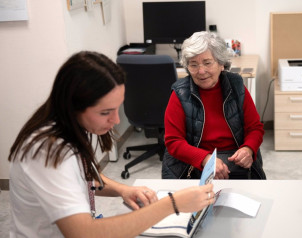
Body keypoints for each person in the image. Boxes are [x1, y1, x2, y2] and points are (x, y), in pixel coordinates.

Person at [8, 51, 214, 238]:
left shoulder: (69, 127)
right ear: (73, 105)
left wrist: (123, 190)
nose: (116, 120)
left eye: (117, 109)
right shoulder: (47, 151)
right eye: (105, 112)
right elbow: (84, 233)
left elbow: (82, 176)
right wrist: (172, 205)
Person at [162, 31, 266, 180]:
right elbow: (173, 141)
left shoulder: (236, 86)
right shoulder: (180, 93)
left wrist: (248, 148)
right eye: (193, 65)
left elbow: (255, 128)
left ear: (221, 63)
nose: (201, 71)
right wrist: (206, 160)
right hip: (195, 165)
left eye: (207, 63)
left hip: (236, 163)